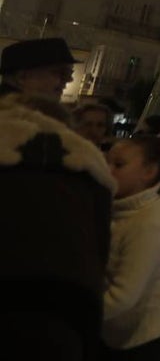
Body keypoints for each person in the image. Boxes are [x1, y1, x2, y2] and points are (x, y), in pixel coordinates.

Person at [0, 37, 114, 361]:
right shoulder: (63, 147)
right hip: (53, 310)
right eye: (56, 71)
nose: (65, 80)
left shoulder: (64, 141)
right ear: (21, 77)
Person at [102, 135, 160, 360]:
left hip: (143, 331)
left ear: (148, 172)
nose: (107, 169)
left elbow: (122, 296)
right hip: (119, 327)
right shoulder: (116, 207)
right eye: (106, 161)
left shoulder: (149, 223)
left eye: (119, 164)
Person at [0, 36, 78, 121]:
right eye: (61, 72)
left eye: (69, 73)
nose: (69, 79)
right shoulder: (16, 120)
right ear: (21, 77)